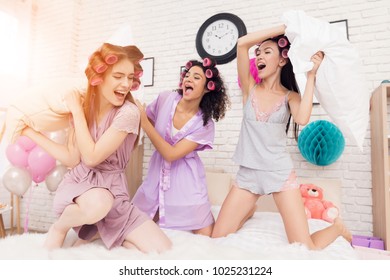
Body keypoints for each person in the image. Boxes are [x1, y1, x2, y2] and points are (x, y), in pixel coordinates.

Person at [211, 25, 352, 249]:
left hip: (279, 173)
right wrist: (284, 28)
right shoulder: (249, 88)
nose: (259, 56)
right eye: (258, 53)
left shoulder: (290, 97)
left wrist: (311, 75)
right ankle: (248, 211)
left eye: (267, 51)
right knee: (217, 238)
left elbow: (303, 118)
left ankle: (337, 228)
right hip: (248, 174)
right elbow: (241, 44)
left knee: (304, 246)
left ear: (282, 60)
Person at [22, 43, 172, 253]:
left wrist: (76, 110)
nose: (126, 84)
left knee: (165, 250)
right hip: (82, 188)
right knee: (99, 203)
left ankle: (96, 232)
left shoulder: (128, 113)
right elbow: (73, 158)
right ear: (99, 78)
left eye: (130, 77)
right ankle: (60, 228)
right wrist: (31, 133)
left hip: (115, 194)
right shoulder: (83, 110)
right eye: (118, 76)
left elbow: (92, 156)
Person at [132, 58, 230, 236]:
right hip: (156, 176)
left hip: (188, 181)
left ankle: (246, 211)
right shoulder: (164, 99)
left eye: (197, 77)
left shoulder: (205, 124)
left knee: (208, 234)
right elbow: (150, 118)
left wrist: (146, 125)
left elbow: (171, 154)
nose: (188, 79)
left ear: (208, 88)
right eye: (187, 75)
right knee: (134, 221)